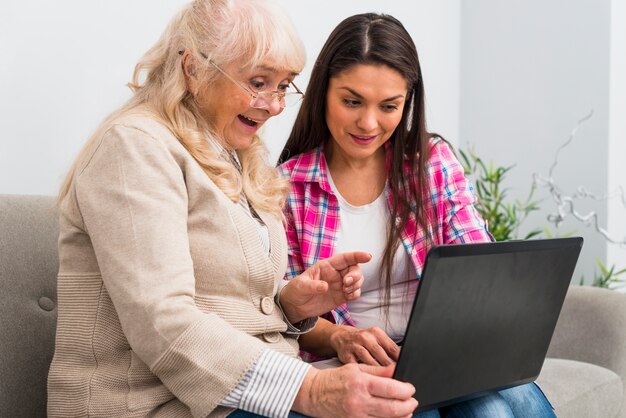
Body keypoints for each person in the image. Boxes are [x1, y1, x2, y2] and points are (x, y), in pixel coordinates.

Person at [47, 2, 421, 418]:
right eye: (259, 82)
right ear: (192, 68)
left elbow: (225, 302)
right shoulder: (135, 147)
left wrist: (291, 304)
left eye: (284, 86)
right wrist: (312, 389)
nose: (276, 105)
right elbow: (162, 321)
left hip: (235, 400)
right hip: (157, 405)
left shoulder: (234, 151)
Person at [279, 13, 556, 417]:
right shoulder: (288, 187)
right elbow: (281, 311)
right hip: (358, 368)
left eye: (389, 106)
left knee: (495, 405)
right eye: (351, 101)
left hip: (443, 355)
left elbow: (479, 264)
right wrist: (341, 337)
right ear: (323, 92)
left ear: (408, 101)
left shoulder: (431, 164)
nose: (368, 123)